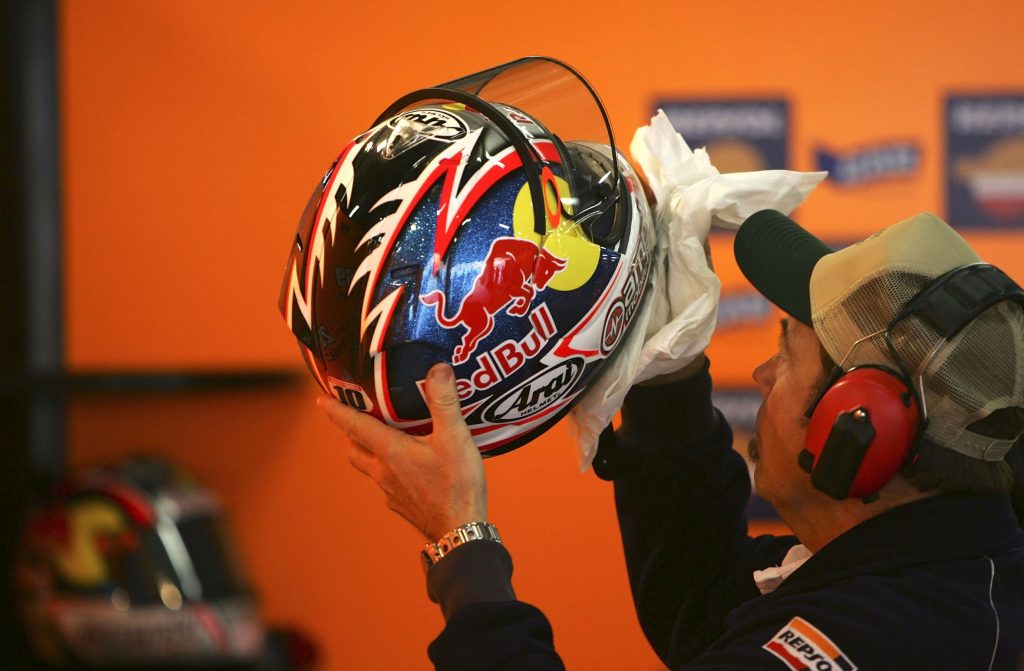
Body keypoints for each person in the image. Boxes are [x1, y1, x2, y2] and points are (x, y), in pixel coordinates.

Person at [318, 208, 1024, 670]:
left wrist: (460, 542)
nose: (762, 371)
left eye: (787, 353)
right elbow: (703, 602)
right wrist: (666, 375)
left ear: (856, 430)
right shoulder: (940, 563)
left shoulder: (884, 641)